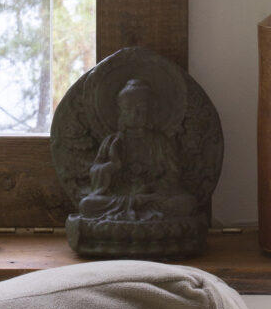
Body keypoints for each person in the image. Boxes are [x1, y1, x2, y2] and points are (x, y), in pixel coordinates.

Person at [78, 78, 196, 222]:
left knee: (186, 203)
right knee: (87, 205)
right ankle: (139, 210)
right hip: (120, 197)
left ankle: (138, 210)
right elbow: (96, 173)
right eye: (128, 108)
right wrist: (113, 165)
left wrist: (150, 187)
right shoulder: (112, 141)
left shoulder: (159, 141)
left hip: (152, 196)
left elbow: (173, 175)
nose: (135, 113)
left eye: (141, 108)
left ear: (150, 111)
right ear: (120, 111)